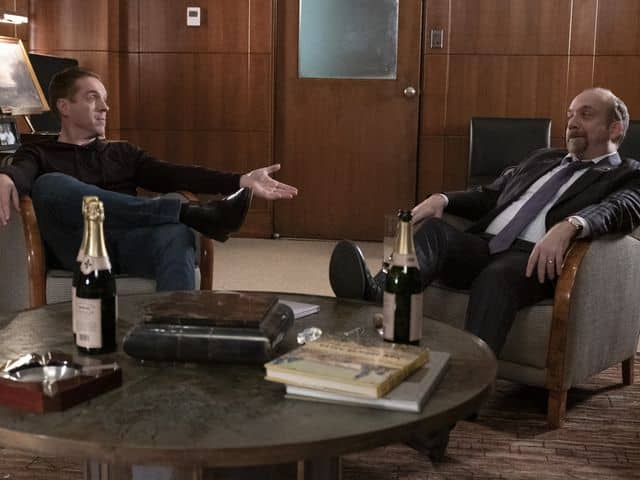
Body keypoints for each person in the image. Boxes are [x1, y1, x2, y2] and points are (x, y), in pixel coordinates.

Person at [329, 87, 640, 354]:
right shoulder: (543, 158)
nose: (572, 122)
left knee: (496, 276)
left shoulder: (627, 173)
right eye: (570, 114)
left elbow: (619, 208)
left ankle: (469, 377)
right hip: (484, 245)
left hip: (534, 259)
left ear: (614, 129)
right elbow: (490, 195)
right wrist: (443, 199)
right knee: (435, 231)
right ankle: (374, 296)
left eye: (586, 115)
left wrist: (571, 224)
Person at [0, 67, 298, 291]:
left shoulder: (122, 153)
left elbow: (175, 174)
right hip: (79, 248)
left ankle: (174, 332)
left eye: (105, 99)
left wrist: (241, 180)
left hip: (126, 241)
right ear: (64, 106)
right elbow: (22, 172)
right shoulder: (38, 152)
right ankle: (186, 212)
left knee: (177, 233)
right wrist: (6, 175)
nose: (105, 107)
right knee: (49, 184)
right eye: (93, 98)